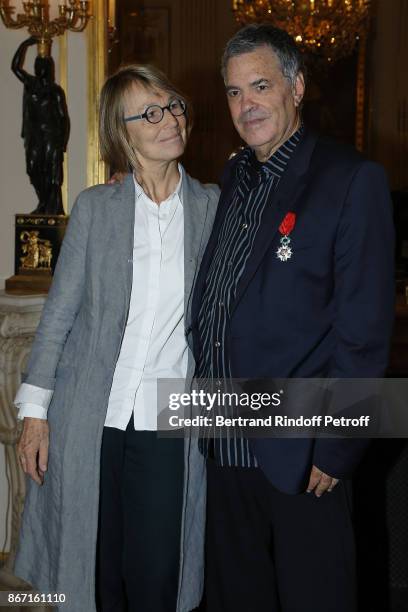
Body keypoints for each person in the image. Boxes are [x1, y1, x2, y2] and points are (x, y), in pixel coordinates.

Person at [189, 24, 395, 612]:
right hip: (222, 443)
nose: (245, 104)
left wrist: (335, 447)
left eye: (259, 86)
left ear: (297, 87)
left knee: (316, 597)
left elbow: (364, 334)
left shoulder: (350, 180)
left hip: (301, 449)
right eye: (233, 92)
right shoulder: (232, 178)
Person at [13, 64, 219, 612]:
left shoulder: (212, 209)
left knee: (157, 574)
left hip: (169, 418)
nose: (169, 119)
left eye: (172, 105)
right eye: (149, 113)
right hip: (89, 417)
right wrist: (34, 414)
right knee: (92, 569)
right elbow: (58, 315)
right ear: (122, 133)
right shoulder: (94, 209)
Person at [12, 37, 69, 215]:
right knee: (33, 168)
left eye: (43, 66)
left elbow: (64, 118)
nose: (40, 69)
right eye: (38, 66)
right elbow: (15, 67)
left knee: (51, 175)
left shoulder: (55, 91)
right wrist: (25, 44)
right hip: (34, 136)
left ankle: (48, 206)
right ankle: (43, 202)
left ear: (49, 69)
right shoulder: (31, 85)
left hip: (51, 137)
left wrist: (62, 143)